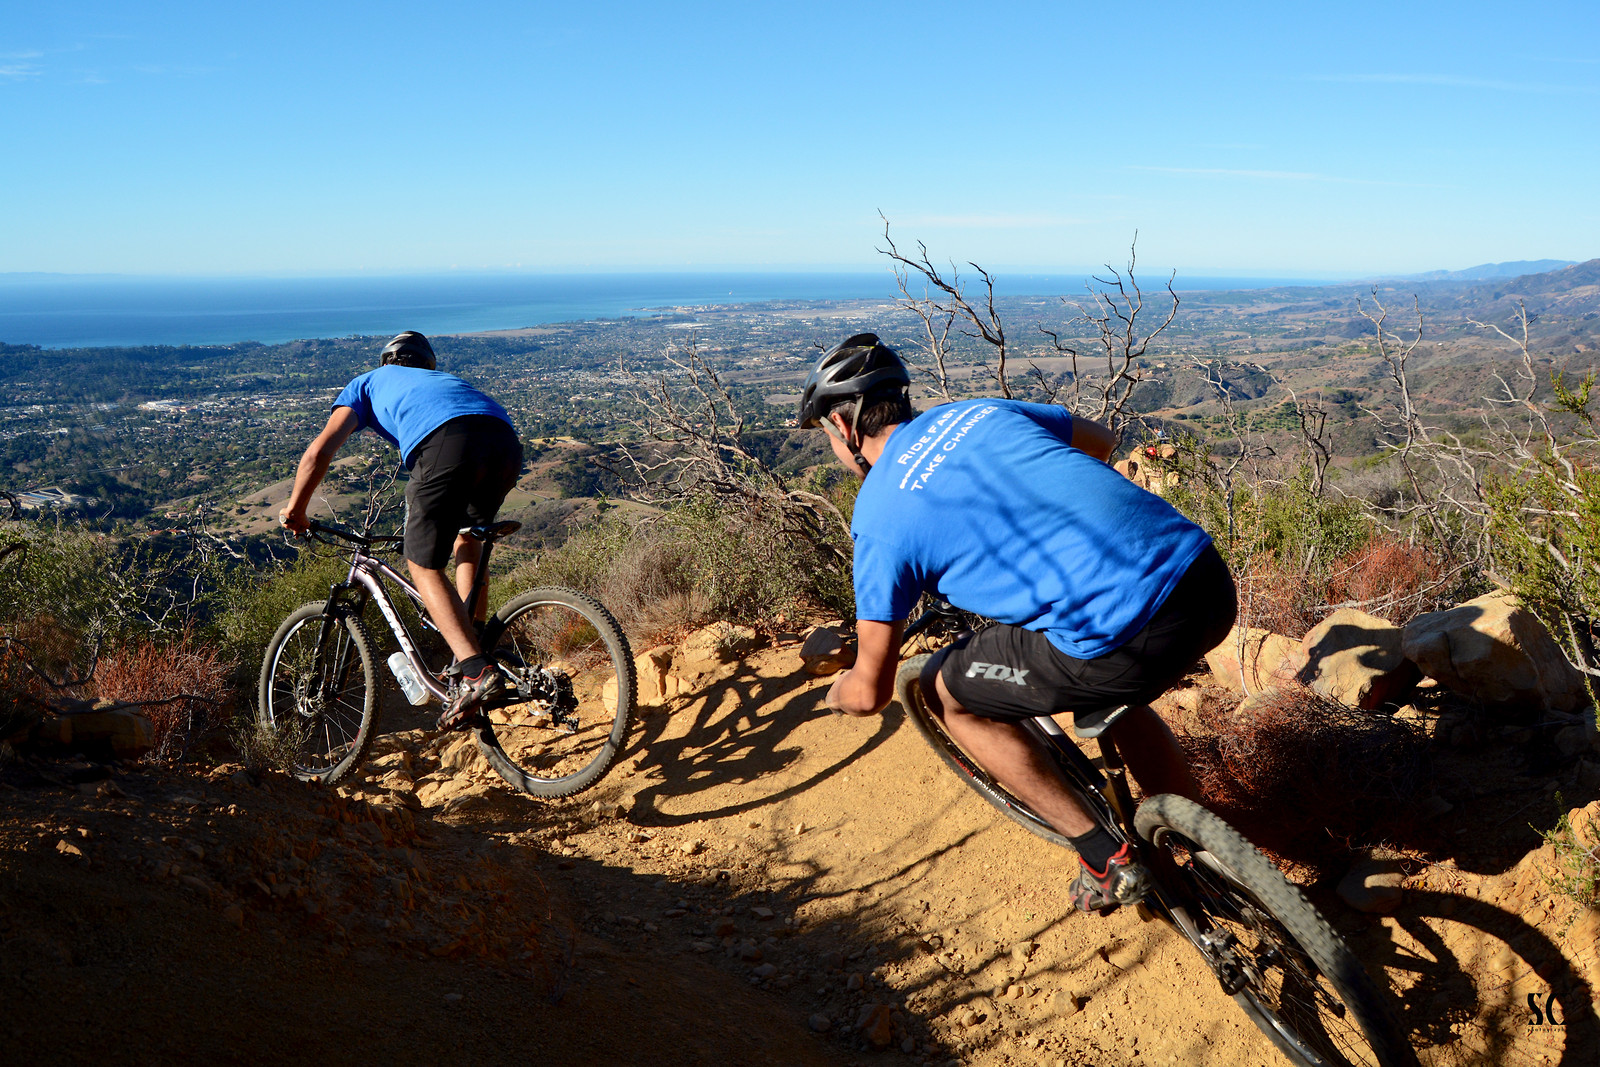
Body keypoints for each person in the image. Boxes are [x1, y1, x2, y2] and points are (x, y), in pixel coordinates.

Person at [802, 333, 1236, 912]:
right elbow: (1102, 441)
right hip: (1204, 580)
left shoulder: (879, 517)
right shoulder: (977, 413)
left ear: (843, 427)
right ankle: (1207, 851)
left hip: (1124, 641)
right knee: (1110, 681)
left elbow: (873, 691)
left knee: (944, 693)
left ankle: (1103, 857)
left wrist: (835, 693)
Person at [279, 331, 524, 730]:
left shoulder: (367, 383)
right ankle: (472, 647)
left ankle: (476, 671)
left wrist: (297, 510)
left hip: (449, 441)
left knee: (422, 564)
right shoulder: (441, 381)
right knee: (467, 538)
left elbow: (319, 451)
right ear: (426, 363)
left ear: (386, 362)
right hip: (503, 440)